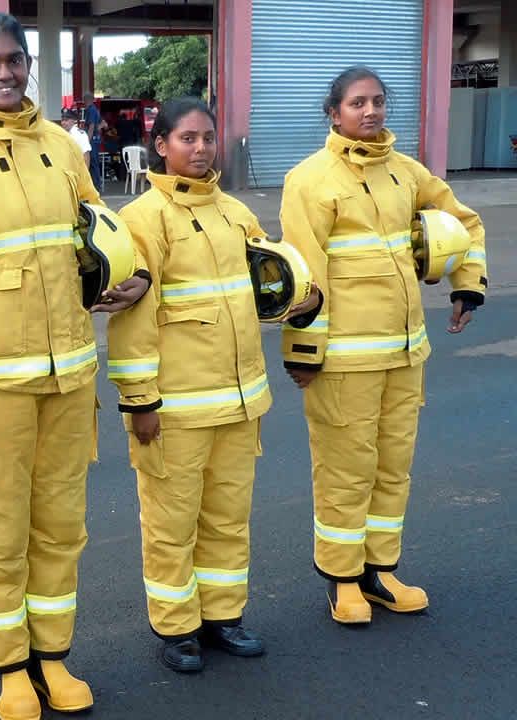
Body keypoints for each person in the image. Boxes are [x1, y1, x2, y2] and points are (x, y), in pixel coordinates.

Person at [0, 13, 150, 720]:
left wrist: (135, 276)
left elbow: (104, 228)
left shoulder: (61, 149)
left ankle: (54, 657)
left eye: (15, 60)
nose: (5, 73)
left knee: (61, 529)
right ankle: (9, 666)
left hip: (70, 378)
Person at [106, 97, 320, 674]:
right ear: (161, 145)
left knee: (228, 518)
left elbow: (271, 283)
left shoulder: (235, 214)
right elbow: (133, 322)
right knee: (172, 524)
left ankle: (223, 616)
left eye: (207, 138)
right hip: (174, 409)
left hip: (241, 401)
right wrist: (139, 401)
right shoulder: (142, 220)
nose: (200, 149)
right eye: (187, 139)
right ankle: (177, 629)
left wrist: (305, 300)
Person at [279, 67, 487, 625]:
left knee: (393, 468)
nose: (370, 112)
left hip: (404, 355)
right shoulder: (310, 180)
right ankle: (343, 579)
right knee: (346, 471)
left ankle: (381, 570)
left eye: (377, 102)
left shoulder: (406, 173)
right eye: (357, 103)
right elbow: (303, 274)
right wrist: (303, 353)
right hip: (344, 361)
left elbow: (462, 222)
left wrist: (468, 281)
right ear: (334, 113)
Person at [81, 92, 107, 192]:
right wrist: (99, 127)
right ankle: (97, 186)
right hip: (96, 139)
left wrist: (87, 140)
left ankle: (96, 187)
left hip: (92, 140)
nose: (83, 102)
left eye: (84, 100)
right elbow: (104, 123)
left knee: (92, 163)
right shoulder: (95, 110)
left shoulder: (91, 110)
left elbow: (91, 126)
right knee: (94, 163)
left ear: (87, 100)